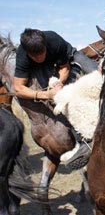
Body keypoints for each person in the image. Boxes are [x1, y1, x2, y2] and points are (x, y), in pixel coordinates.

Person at [14, 28, 98, 168]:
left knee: (97, 73)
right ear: (27, 53)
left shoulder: (54, 41)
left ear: (46, 46)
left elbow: (64, 67)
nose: (39, 58)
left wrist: (60, 83)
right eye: (34, 56)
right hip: (48, 66)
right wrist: (44, 94)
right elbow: (18, 88)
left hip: (69, 56)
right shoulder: (22, 54)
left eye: (41, 54)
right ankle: (80, 142)